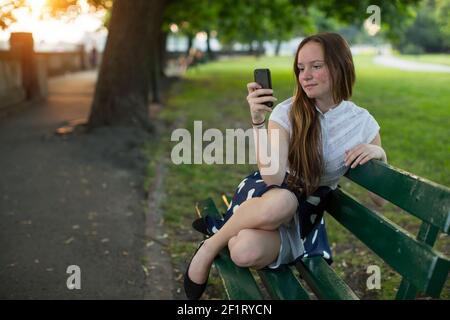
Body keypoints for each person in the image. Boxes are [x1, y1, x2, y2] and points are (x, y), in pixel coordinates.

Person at [184, 32, 388, 300]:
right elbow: (273, 176)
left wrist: (378, 153)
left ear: (340, 66)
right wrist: (258, 121)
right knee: (283, 201)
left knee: (244, 251)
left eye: (316, 66)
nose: (305, 76)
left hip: (305, 214)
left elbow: (379, 201)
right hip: (267, 196)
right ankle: (208, 249)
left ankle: (229, 230)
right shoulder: (287, 111)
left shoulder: (363, 123)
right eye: (301, 68)